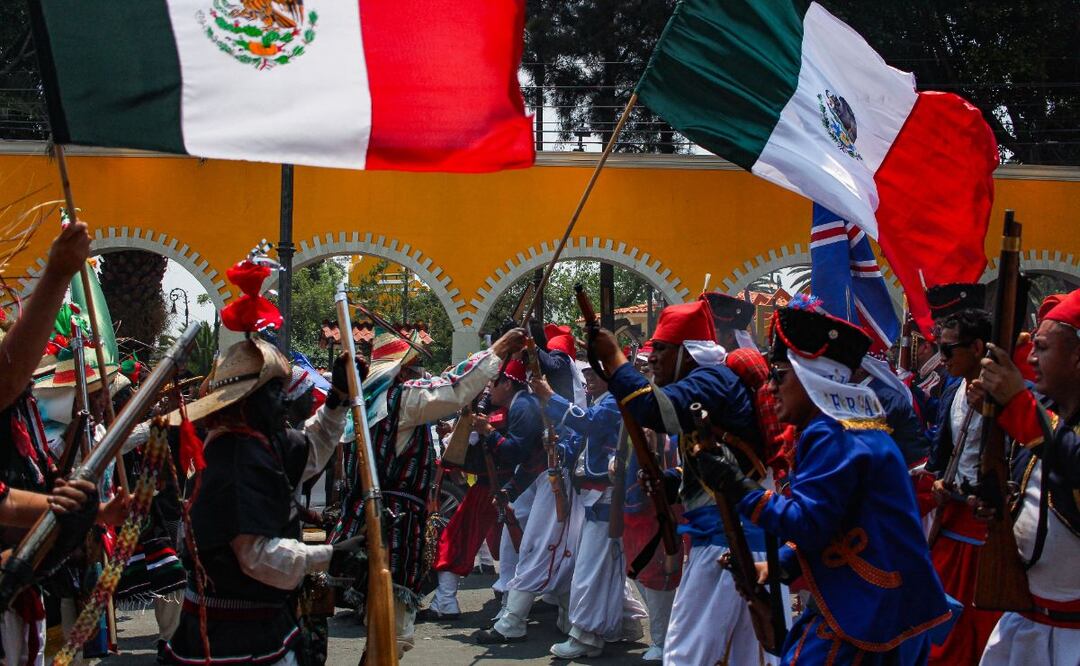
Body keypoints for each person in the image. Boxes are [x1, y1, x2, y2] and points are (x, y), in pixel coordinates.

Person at [693, 299, 952, 664]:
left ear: (812, 377)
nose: (769, 387)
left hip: (866, 607)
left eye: (779, 375)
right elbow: (839, 522)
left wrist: (737, 487)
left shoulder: (832, 433)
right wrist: (783, 564)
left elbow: (810, 523)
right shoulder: (845, 428)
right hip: (879, 605)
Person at [591, 299, 767, 665]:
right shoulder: (706, 380)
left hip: (728, 539)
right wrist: (672, 481)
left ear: (688, 353)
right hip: (728, 537)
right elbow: (712, 464)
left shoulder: (710, 379)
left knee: (689, 654)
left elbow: (656, 411)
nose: (653, 358)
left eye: (663, 350)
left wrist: (614, 358)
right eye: (653, 350)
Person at [332, 327, 527, 655]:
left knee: (381, 631)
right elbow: (454, 389)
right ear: (402, 371)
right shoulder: (401, 398)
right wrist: (498, 349)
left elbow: (448, 385)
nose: (417, 375)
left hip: (364, 521)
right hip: (391, 527)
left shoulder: (367, 402)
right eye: (412, 369)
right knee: (390, 635)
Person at [973, 289, 1080, 666]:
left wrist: (1018, 404)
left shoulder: (1038, 416)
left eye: (1044, 348)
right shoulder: (1047, 413)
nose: (1031, 359)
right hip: (1026, 625)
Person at [532, 366, 645, 659]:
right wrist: (559, 446)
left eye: (596, 373)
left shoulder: (612, 402)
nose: (589, 378)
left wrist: (551, 398)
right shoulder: (602, 401)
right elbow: (581, 442)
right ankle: (626, 623)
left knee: (589, 569)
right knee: (606, 565)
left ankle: (586, 636)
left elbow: (591, 425)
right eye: (587, 373)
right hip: (597, 496)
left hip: (607, 496)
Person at [473, 354, 585, 644]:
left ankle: (513, 621)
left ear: (508, 384)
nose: (489, 388)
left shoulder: (523, 405)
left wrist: (488, 432)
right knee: (535, 545)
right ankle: (569, 615)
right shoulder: (521, 404)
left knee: (539, 547)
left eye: (494, 382)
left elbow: (516, 453)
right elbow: (530, 460)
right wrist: (510, 490)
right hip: (544, 476)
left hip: (556, 478)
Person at [924, 307, 1002, 664]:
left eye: (948, 350)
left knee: (981, 631)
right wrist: (939, 480)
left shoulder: (1010, 397)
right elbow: (943, 453)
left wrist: (997, 410)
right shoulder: (952, 388)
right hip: (951, 519)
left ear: (977, 348)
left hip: (986, 530)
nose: (942, 359)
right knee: (940, 626)